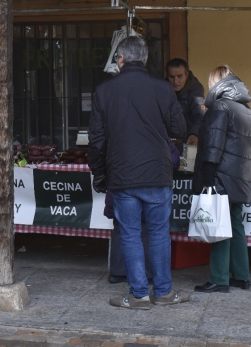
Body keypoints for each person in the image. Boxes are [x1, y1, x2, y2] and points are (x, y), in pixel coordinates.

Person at [88, 36, 188, 310]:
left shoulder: (105, 91)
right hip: (157, 173)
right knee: (158, 233)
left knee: (130, 234)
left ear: (120, 59)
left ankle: (139, 295)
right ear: (144, 59)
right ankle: (164, 292)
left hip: (122, 176)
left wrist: (98, 173)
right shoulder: (163, 88)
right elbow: (179, 129)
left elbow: (96, 140)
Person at [193, 65, 251, 294]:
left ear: (215, 83)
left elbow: (213, 145)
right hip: (240, 175)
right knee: (236, 224)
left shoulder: (219, 106)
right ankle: (242, 276)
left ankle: (219, 278)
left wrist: (207, 177)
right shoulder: (244, 108)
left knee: (219, 225)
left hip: (221, 175)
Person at [105, 141, 181, 284]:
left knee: (123, 230)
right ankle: (147, 274)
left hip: (121, 185)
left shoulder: (118, 132)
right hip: (150, 184)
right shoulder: (155, 132)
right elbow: (173, 160)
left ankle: (118, 271)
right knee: (150, 231)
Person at [166, 58, 206, 147]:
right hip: (166, 142)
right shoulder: (163, 88)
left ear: (187, 75)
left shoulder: (195, 91)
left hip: (188, 141)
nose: (175, 81)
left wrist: (194, 134)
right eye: (171, 77)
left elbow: (201, 115)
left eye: (180, 76)